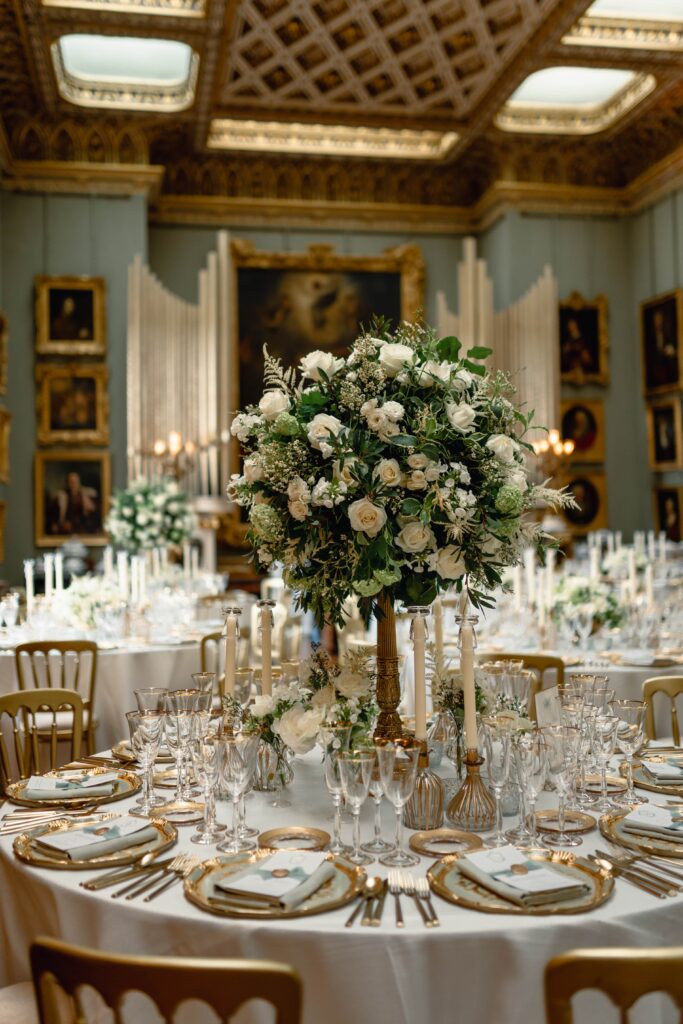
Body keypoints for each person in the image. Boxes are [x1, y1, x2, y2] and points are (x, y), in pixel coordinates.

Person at [49, 471, 100, 535]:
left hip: (83, 527)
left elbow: (92, 512)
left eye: (75, 482)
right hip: (66, 528)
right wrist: (61, 524)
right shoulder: (61, 496)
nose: (73, 484)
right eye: (71, 482)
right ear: (67, 483)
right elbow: (56, 516)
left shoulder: (86, 495)